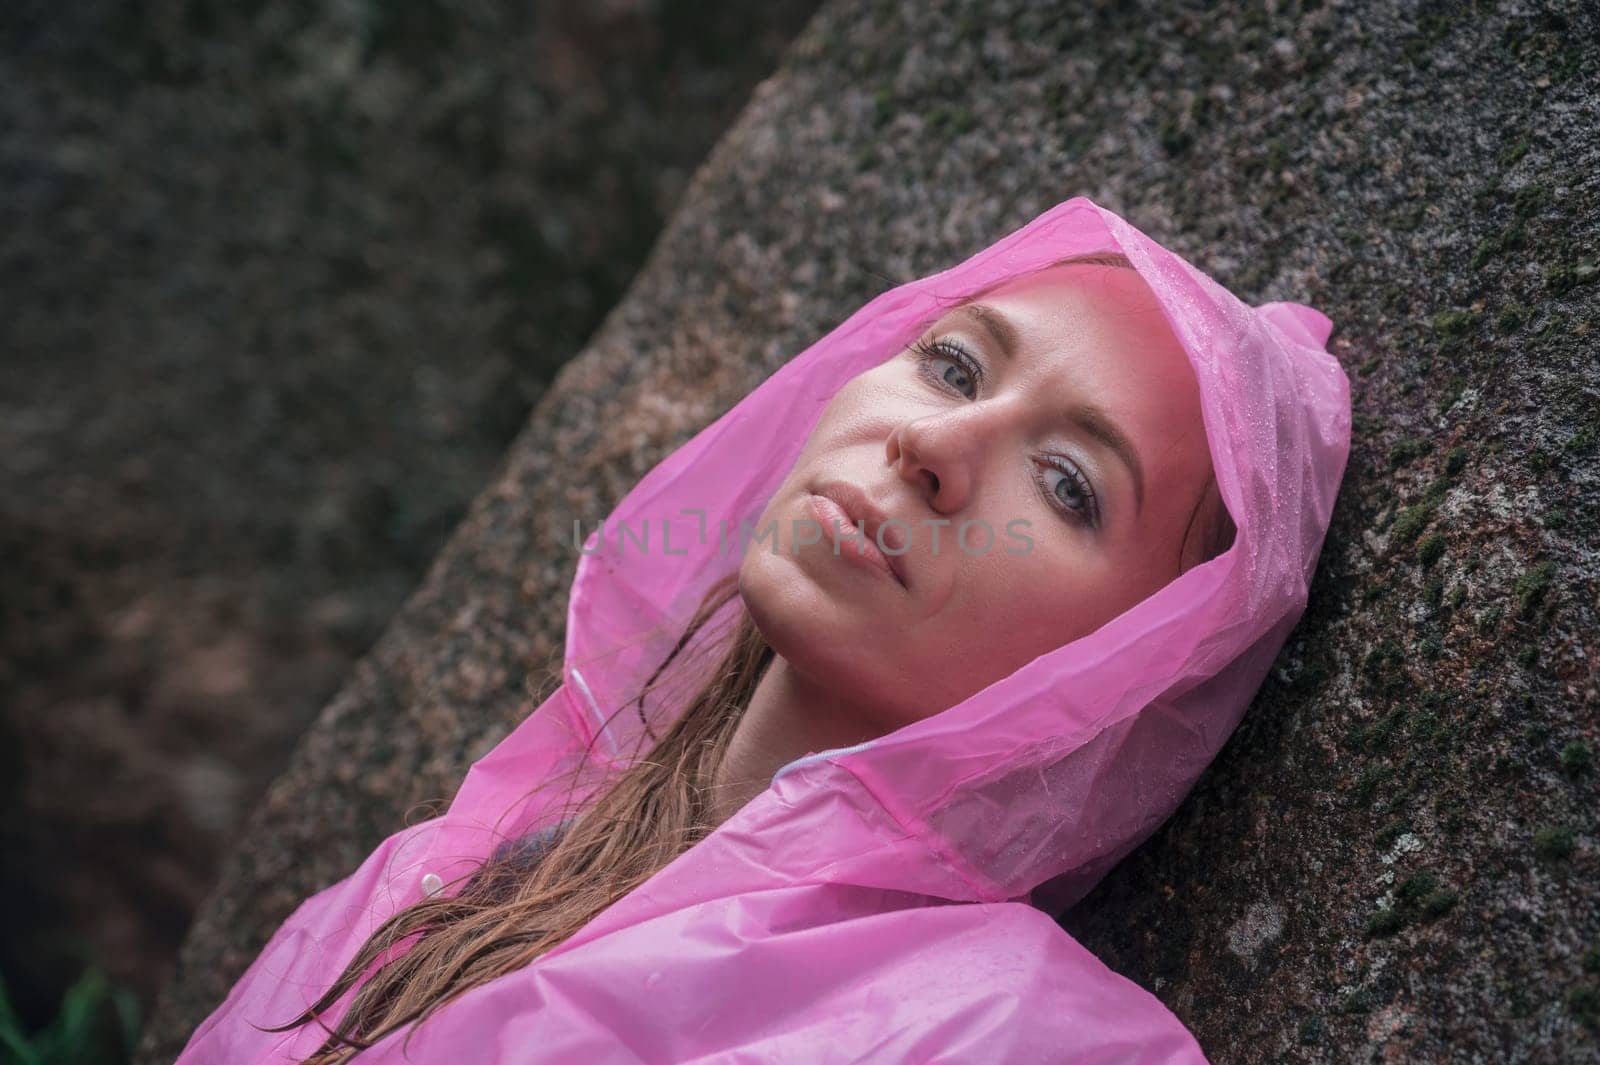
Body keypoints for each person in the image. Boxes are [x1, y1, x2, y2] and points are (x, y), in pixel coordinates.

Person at [175, 195, 1352, 1064]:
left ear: (1137, 667)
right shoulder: (443, 869)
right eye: (950, 365)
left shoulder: (1015, 1038)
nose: (933, 451)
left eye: (1066, 485)